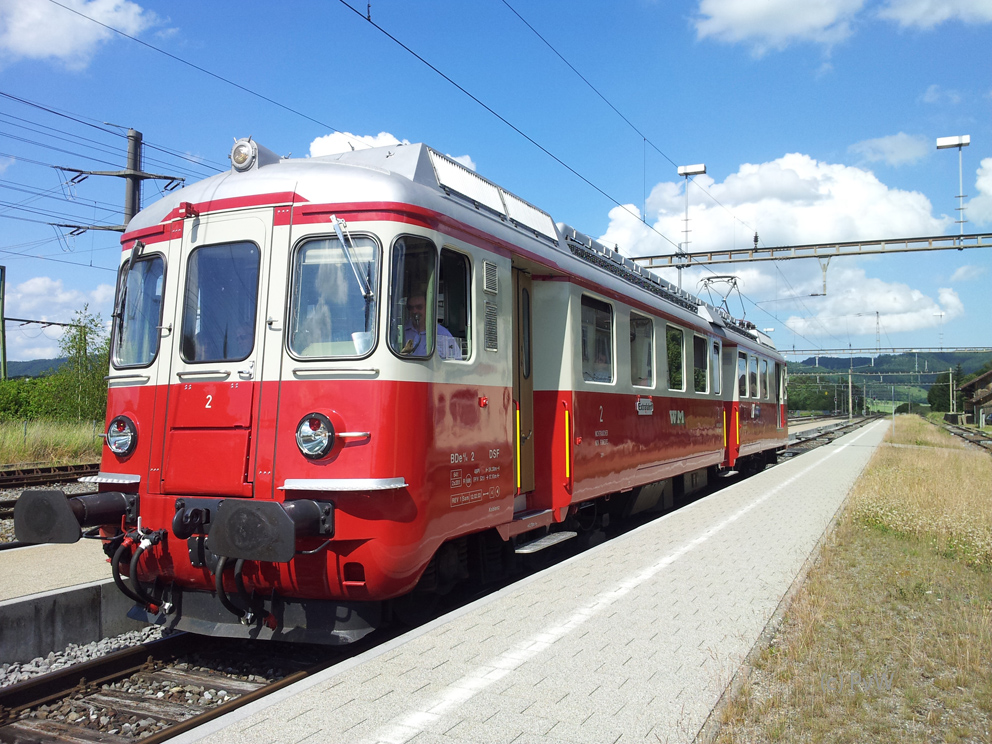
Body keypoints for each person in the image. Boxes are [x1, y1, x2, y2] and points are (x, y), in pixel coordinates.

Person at [401, 294, 462, 359]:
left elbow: (456, 360)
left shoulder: (442, 333)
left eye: (419, 307)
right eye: (411, 308)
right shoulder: (401, 331)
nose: (414, 311)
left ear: (428, 308)